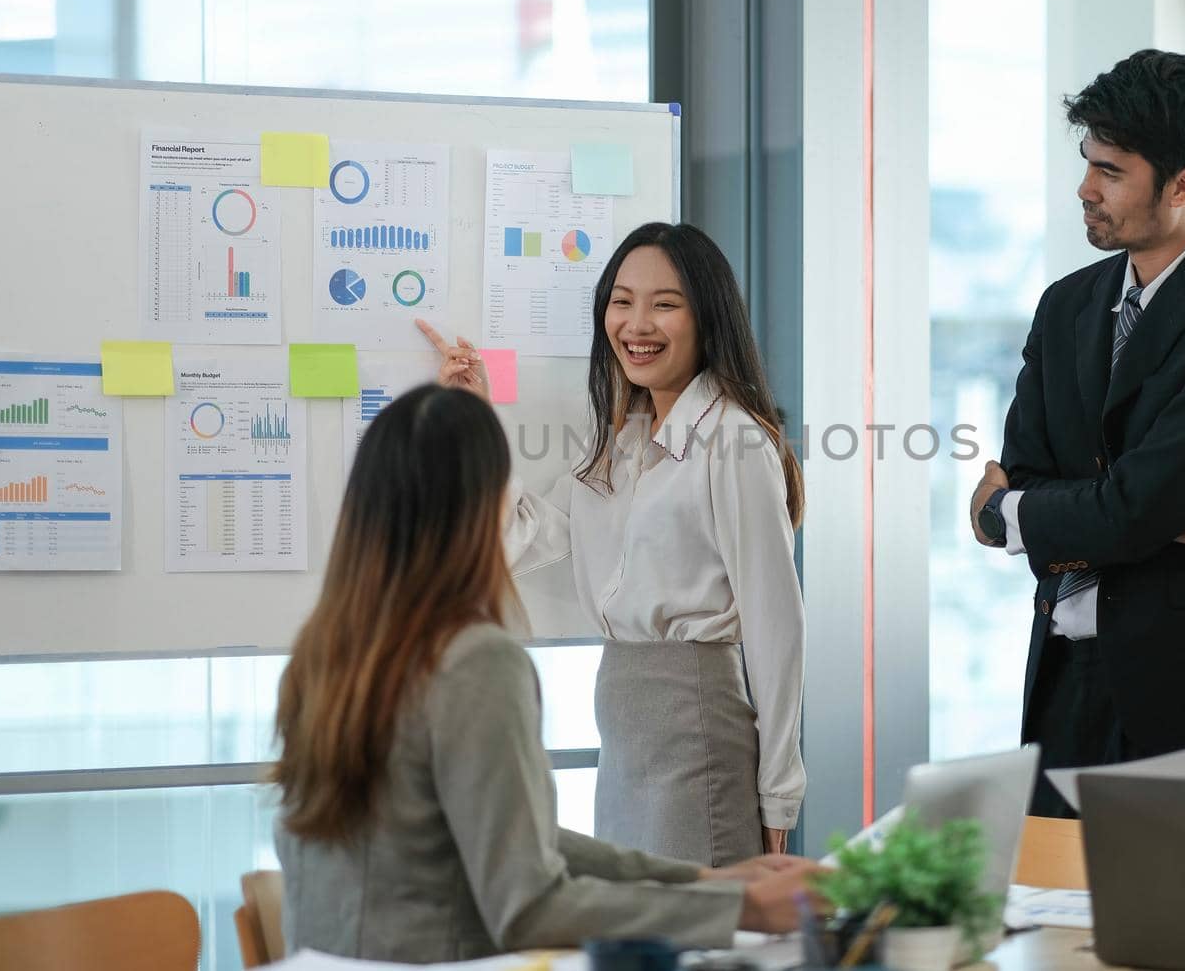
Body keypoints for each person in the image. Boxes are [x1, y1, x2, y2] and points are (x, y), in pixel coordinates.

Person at [272, 384, 817, 964]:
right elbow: (529, 906)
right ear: (483, 506)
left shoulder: (327, 652)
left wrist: (707, 884)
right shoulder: (475, 663)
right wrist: (745, 911)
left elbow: (513, 839)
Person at [969, 49, 1185, 817]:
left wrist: (1012, 513)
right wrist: (1140, 513)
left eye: (1112, 170)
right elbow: (1070, 483)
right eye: (1088, 161)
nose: (1085, 187)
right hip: (1065, 674)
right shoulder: (1066, 305)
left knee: (1180, 933)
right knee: (1051, 919)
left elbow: (1102, 506)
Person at [417, 221, 806, 865]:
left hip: (696, 723)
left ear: (708, 318)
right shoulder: (625, 440)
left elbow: (776, 624)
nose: (636, 323)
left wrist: (778, 793)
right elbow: (520, 537)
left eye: (665, 304)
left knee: (697, 941)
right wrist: (476, 419)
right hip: (626, 725)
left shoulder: (733, 441)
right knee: (641, 932)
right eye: (621, 302)